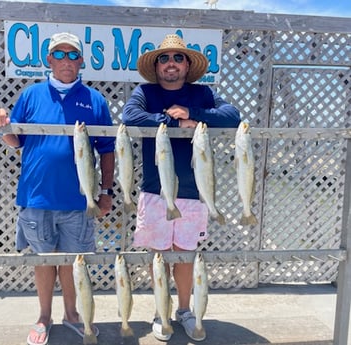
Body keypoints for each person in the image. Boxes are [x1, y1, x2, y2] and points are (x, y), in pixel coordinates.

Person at [0, 32, 115, 345]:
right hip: (37, 196)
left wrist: (107, 191)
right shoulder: (31, 95)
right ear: (49, 60)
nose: (67, 61)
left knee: (73, 264)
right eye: (60, 54)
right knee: (44, 263)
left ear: (82, 61)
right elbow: (17, 141)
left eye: (74, 55)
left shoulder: (95, 100)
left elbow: (108, 149)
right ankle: (43, 316)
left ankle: (72, 315)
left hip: (79, 201)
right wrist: (0, 124)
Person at [122, 33, 240, 341]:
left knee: (186, 256)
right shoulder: (145, 92)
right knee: (158, 255)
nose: (171, 63)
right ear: (157, 66)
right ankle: (161, 311)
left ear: (187, 65)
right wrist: (173, 123)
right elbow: (130, 116)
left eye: (178, 58)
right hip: (154, 189)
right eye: (164, 58)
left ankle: (185, 310)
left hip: (193, 191)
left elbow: (232, 117)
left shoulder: (202, 94)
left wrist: (193, 115)